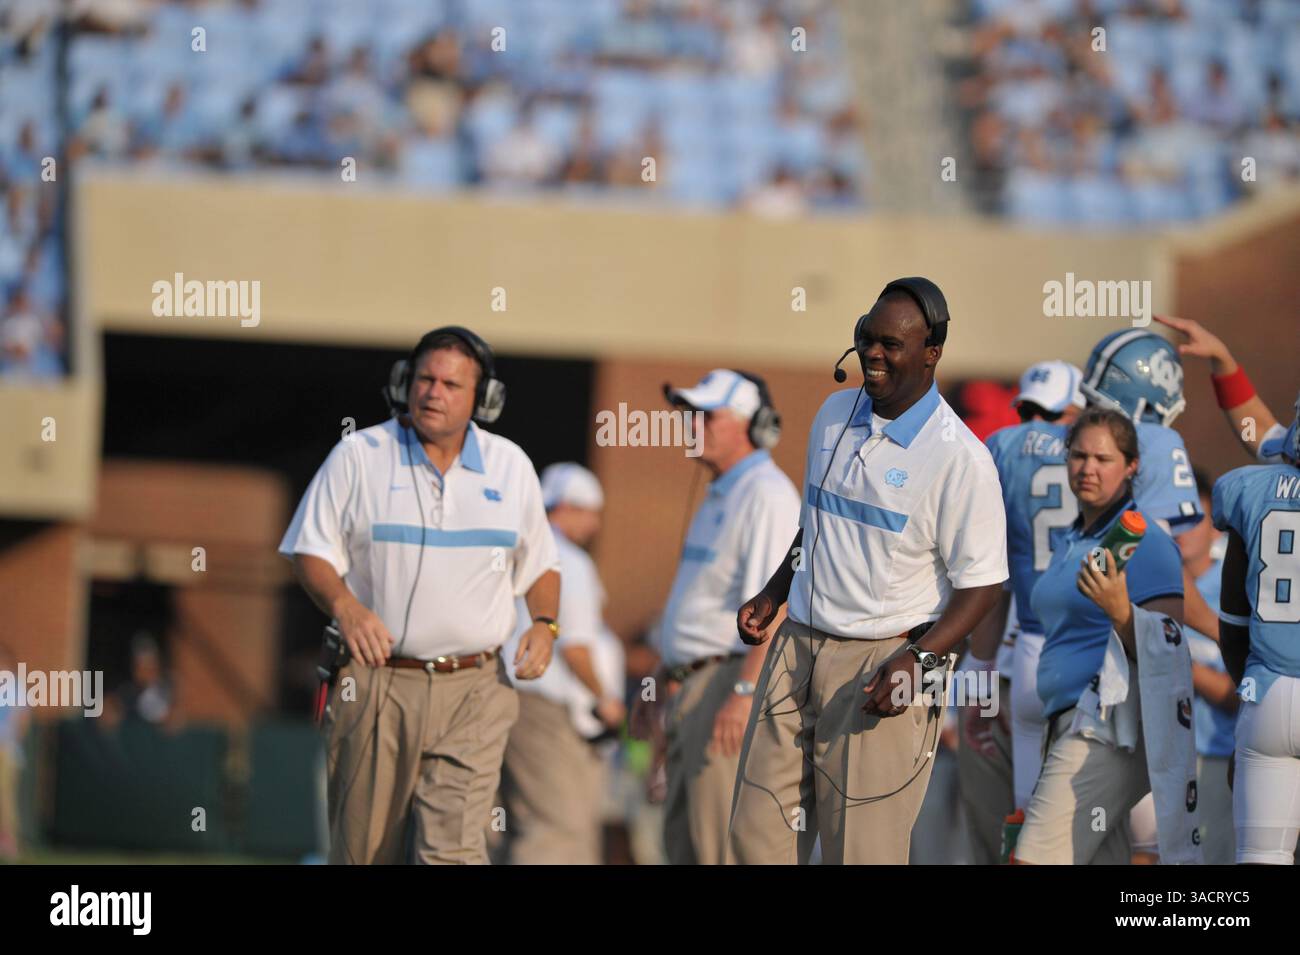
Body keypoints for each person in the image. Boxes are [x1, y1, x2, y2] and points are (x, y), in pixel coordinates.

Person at [729, 277, 1008, 865]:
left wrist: (921, 659)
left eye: (890, 344)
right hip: (795, 643)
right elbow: (818, 522)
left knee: (861, 854)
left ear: (931, 352)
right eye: (865, 338)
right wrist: (776, 589)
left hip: (884, 661)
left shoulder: (962, 458)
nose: (872, 354)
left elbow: (983, 586)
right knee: (755, 836)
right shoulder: (836, 410)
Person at [279, 326, 560, 864]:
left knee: (451, 853)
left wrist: (545, 625)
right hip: (378, 682)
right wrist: (347, 606)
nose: (434, 392)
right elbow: (309, 551)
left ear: (484, 399)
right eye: (425, 379)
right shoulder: (359, 455)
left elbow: (542, 565)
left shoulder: (512, 466)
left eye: (451, 384)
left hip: (475, 688)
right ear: (403, 384)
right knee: (363, 852)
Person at [631, 369, 799, 865]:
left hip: (727, 685)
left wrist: (744, 693)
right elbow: (697, 603)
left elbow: (776, 605)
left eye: (707, 415)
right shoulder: (721, 491)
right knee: (683, 844)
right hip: (694, 687)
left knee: (717, 846)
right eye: (691, 414)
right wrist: (660, 677)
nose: (692, 424)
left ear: (756, 426)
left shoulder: (765, 494)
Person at [1016, 408, 1185, 864]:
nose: (1087, 468)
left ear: (1131, 466)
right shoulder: (1074, 537)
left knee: (1031, 858)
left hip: (1105, 725)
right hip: (1066, 719)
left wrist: (1120, 613)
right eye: (1078, 455)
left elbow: (1170, 648)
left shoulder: (1144, 540)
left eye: (1103, 458)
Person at [963, 359, 1085, 862]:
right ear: (1075, 408)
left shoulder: (999, 448)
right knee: (1121, 829)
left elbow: (989, 580)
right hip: (1086, 651)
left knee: (1027, 821)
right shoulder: (1093, 451)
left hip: (1026, 652)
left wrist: (976, 680)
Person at [498, 463, 623, 864]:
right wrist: (605, 698)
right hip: (542, 708)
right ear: (568, 507)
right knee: (558, 828)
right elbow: (574, 648)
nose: (596, 524)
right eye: (591, 512)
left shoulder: (517, 546)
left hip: (502, 699)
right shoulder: (568, 560)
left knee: (506, 822)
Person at [1213, 395, 1300, 865]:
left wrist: (1249, 704)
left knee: (1261, 858)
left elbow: (1232, 624)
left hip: (1267, 694)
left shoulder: (1251, 490)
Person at [1179, 469, 1238, 864]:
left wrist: (1176, 663)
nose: (1182, 528)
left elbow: (1233, 695)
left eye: (1193, 516)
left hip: (1216, 753)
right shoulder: (1153, 585)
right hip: (1163, 755)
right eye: (1176, 516)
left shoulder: (1235, 589)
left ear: (1215, 527)